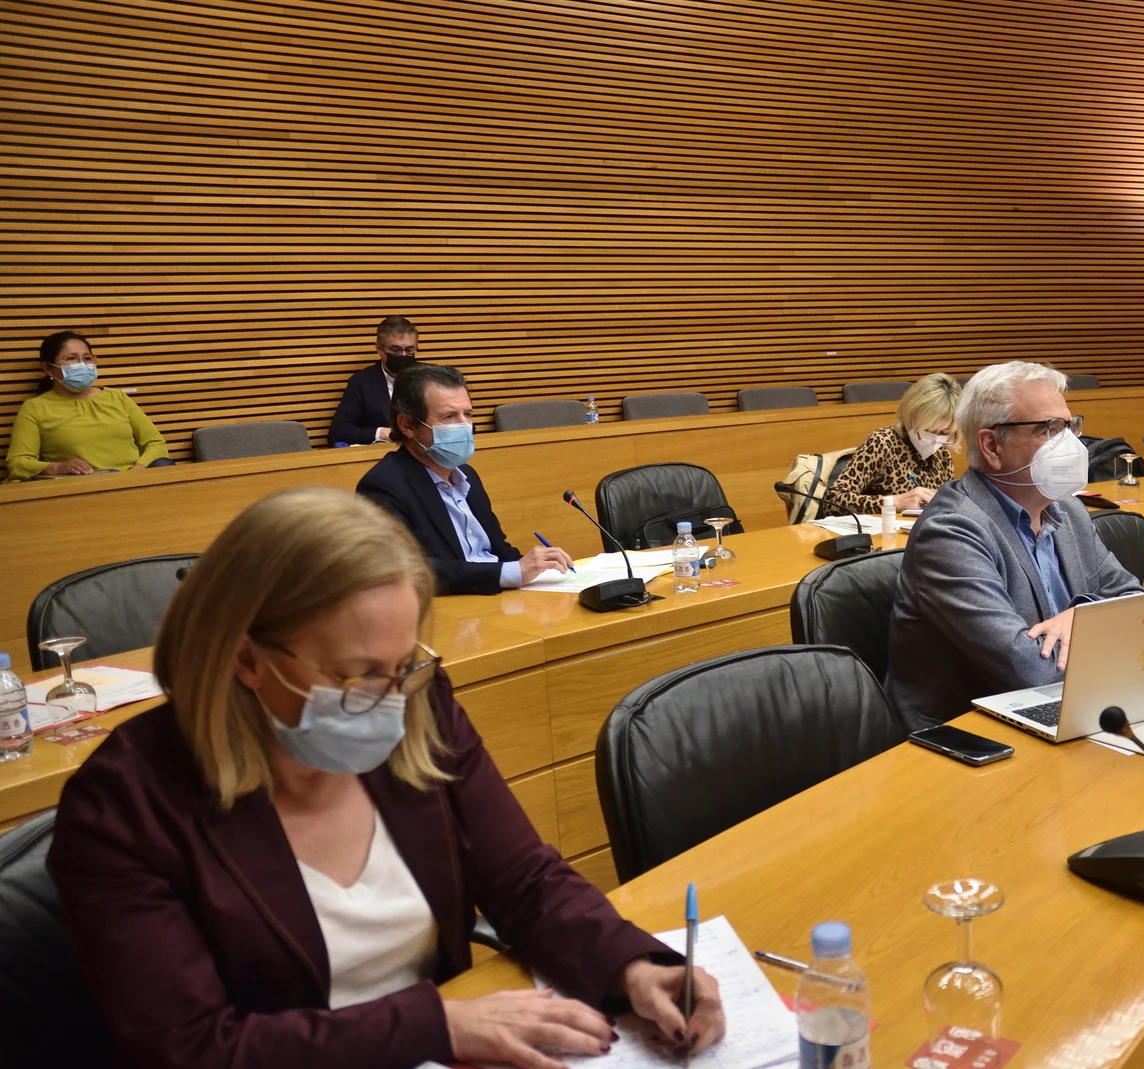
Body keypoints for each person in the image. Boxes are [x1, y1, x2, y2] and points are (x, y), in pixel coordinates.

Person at [47, 487, 725, 1069]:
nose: (394, 699)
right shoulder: (123, 807)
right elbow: (192, 1048)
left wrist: (632, 967)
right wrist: (438, 1024)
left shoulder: (416, 703)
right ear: (246, 657)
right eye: (360, 675)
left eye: (405, 663)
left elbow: (525, 880)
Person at [886, 362, 1143, 728]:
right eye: (1048, 429)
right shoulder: (950, 531)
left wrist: (1084, 615)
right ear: (991, 445)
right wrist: (1111, 630)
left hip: (1073, 703)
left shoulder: (1067, 510)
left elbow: (1136, 601)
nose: (1069, 443)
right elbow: (1029, 669)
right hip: (974, 732)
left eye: (1069, 427)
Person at [357, 364, 573, 595]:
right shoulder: (383, 486)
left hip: (498, 601)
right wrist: (511, 572)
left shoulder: (467, 476)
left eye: (468, 414)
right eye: (449, 416)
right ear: (407, 425)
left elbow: (497, 550)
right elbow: (404, 571)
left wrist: (538, 567)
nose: (464, 426)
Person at [6, 331, 170, 481]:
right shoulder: (35, 407)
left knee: (164, 466)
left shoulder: (117, 397)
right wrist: (57, 467)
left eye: (87, 358)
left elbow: (155, 443)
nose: (82, 365)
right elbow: (18, 463)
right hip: (83, 486)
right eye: (71, 358)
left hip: (133, 480)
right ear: (47, 369)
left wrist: (138, 470)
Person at [821, 373, 962, 516]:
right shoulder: (882, 442)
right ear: (912, 415)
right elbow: (832, 501)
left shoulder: (942, 454)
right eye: (928, 430)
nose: (935, 439)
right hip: (880, 534)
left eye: (944, 432)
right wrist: (896, 502)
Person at [330, 316, 422, 446]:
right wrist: (382, 433)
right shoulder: (362, 382)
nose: (403, 355)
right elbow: (338, 432)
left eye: (409, 350)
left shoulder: (431, 378)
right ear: (379, 349)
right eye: (395, 350)